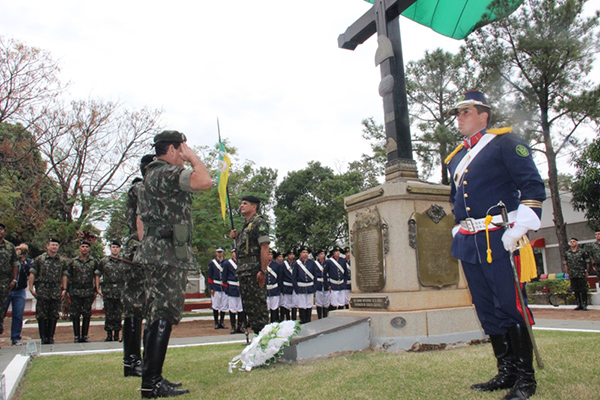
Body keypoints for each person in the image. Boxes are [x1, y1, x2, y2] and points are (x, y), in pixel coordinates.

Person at [446, 90, 546, 400]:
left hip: (500, 238)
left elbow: (532, 186)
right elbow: (455, 200)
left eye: (465, 111)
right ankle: (506, 372)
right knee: (487, 309)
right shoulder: (456, 158)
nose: (459, 117)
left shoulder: (505, 142)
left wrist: (519, 228)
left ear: (483, 114)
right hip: (470, 241)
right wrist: (459, 227)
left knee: (511, 306)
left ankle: (525, 380)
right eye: (457, 113)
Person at [134, 130, 212, 398]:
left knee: (157, 314)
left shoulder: (152, 175)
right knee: (163, 314)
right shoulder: (164, 172)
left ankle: (151, 380)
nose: (184, 153)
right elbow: (204, 181)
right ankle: (152, 383)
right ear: (172, 149)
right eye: (182, 149)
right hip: (165, 253)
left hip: (158, 251)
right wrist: (192, 157)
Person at [122, 154, 154, 378]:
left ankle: (142, 359)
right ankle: (132, 361)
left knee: (147, 307)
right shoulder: (141, 188)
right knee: (134, 307)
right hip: (139, 250)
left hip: (148, 249)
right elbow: (141, 218)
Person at [229, 195, 270, 336]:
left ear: (254, 207)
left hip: (254, 272)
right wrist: (237, 236)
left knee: (258, 308)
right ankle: (258, 338)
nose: (241, 206)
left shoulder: (259, 223)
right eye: (241, 203)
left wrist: (263, 271)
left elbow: (264, 247)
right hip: (244, 272)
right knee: (249, 308)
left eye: (245, 203)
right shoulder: (246, 225)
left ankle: (264, 338)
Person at [29, 238, 68, 344]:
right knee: (42, 314)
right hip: (42, 288)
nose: (54, 247)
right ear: (47, 246)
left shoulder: (62, 260)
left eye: (56, 245)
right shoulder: (40, 259)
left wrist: (64, 288)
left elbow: (64, 275)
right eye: (52, 245)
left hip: (55, 288)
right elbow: (33, 273)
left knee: (53, 314)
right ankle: (43, 337)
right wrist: (31, 287)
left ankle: (50, 336)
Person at [67, 240, 99, 343]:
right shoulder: (73, 262)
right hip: (76, 290)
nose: (84, 248)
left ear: (89, 249)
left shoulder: (93, 262)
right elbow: (68, 276)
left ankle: (85, 335)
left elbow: (96, 276)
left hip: (88, 290)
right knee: (75, 314)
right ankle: (76, 335)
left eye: (86, 246)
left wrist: (96, 290)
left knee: (87, 314)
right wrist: (67, 290)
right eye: (82, 246)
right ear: (79, 248)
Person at [96, 240, 125, 342]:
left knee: (118, 313)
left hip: (120, 290)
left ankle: (117, 334)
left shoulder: (123, 261)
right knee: (108, 313)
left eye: (117, 247)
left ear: (119, 248)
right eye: (113, 247)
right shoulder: (104, 261)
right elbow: (98, 274)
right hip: (108, 290)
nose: (115, 249)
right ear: (110, 248)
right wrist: (97, 288)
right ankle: (109, 334)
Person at [5, 243, 32, 345]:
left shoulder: (27, 262)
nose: (22, 252)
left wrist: (24, 262)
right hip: (7, 289)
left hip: (20, 290)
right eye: (21, 250)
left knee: (18, 315)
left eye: (25, 250)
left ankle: (15, 337)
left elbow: (30, 272)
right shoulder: (9, 261)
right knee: (1, 313)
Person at [0, 223, 19, 338]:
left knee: (1, 310)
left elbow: (15, 263)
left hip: (4, 281)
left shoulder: (9, 246)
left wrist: (14, 279)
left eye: (1, 229)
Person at [222, 248, 246, 334]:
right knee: (232, 308)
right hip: (232, 288)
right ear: (232, 253)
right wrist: (226, 289)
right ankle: (233, 326)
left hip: (240, 288)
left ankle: (240, 326)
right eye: (234, 252)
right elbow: (224, 277)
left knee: (240, 308)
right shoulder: (227, 264)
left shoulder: (242, 262)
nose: (236, 254)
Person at [564, 238, 590, 311]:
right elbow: (566, 263)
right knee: (575, 289)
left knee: (583, 289)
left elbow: (587, 262)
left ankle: (584, 304)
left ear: (577, 243)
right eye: (571, 242)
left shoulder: (582, 251)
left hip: (581, 273)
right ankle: (579, 304)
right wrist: (567, 273)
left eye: (574, 242)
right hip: (572, 274)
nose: (572, 243)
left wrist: (587, 271)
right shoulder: (567, 253)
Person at [292, 246, 316, 324]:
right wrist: (296, 288)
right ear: (300, 254)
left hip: (309, 286)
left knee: (309, 304)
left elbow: (315, 275)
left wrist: (314, 287)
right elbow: (294, 277)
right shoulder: (297, 263)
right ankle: (303, 320)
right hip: (301, 287)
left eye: (306, 252)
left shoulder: (312, 263)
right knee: (302, 305)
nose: (305, 254)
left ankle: (308, 320)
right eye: (303, 252)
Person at [207, 247, 228, 330]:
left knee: (223, 305)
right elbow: (210, 276)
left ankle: (222, 322)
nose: (220, 254)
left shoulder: (226, 263)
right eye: (218, 252)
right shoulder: (212, 263)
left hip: (224, 286)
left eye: (221, 252)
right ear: (216, 253)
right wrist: (211, 287)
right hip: (216, 286)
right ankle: (216, 322)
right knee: (215, 305)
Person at [324, 246, 348, 311]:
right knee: (333, 303)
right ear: (333, 253)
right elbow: (325, 274)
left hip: (341, 284)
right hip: (333, 284)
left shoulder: (342, 261)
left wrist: (344, 283)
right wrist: (328, 285)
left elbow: (345, 273)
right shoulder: (329, 261)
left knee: (341, 302)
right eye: (336, 251)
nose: (338, 253)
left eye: (338, 251)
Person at [266, 249, 283, 323]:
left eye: (271, 255)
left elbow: (280, 278)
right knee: (266, 308)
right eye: (268, 254)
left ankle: (274, 322)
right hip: (266, 289)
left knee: (274, 307)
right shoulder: (262, 265)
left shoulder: (276, 265)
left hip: (274, 288)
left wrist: (279, 288)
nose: (269, 256)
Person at [313, 248, 330, 319]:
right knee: (319, 301)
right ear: (318, 255)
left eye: (323, 253)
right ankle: (320, 317)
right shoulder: (315, 264)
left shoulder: (327, 263)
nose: (322, 255)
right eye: (321, 254)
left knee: (326, 302)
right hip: (318, 284)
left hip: (326, 284)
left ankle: (325, 316)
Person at [280, 249, 296, 321]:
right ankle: (287, 319)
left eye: (292, 254)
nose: (291, 256)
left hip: (294, 287)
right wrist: (282, 288)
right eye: (290, 254)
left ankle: (293, 319)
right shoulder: (283, 265)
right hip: (286, 286)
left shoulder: (296, 264)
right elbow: (281, 277)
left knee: (294, 304)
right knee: (286, 304)